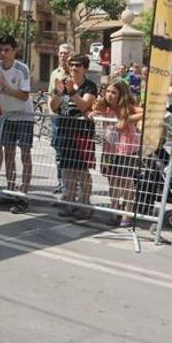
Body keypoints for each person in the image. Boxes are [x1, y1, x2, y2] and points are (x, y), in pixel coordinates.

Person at [0, 35, 33, 213]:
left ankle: (24, 195)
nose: (3, 54)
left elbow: (25, 95)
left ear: (15, 51)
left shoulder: (22, 69)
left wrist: (7, 89)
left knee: (25, 155)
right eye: (0, 50)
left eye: (7, 50)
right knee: (8, 154)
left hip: (25, 117)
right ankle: (11, 191)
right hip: (7, 117)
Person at [51, 53, 98, 219]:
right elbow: (53, 106)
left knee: (82, 171)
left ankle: (85, 204)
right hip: (64, 131)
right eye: (71, 65)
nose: (73, 68)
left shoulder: (90, 86)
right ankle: (70, 202)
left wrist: (71, 92)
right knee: (67, 170)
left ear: (84, 68)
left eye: (77, 65)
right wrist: (58, 93)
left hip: (82, 133)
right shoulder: (63, 83)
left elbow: (85, 104)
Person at [91, 79, 142, 227]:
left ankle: (127, 213)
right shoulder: (105, 107)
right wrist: (93, 112)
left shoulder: (128, 107)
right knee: (112, 182)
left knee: (126, 183)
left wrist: (126, 119)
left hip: (126, 150)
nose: (110, 95)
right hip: (110, 149)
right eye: (108, 91)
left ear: (121, 94)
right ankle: (114, 212)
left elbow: (145, 112)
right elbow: (92, 109)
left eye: (114, 92)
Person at [49, 43, 73, 193]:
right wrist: (49, 112)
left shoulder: (74, 72)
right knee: (58, 152)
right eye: (61, 53)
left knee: (71, 153)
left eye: (66, 53)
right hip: (56, 117)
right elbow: (50, 94)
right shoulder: (54, 73)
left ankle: (71, 185)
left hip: (70, 118)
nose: (63, 55)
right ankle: (61, 183)